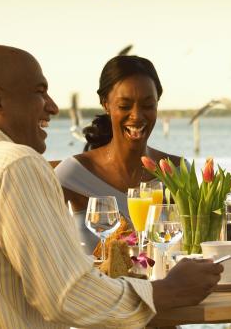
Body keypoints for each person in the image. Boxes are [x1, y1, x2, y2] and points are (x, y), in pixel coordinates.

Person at [0, 45, 221, 328]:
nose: (52, 106)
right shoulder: (15, 165)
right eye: (39, 91)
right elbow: (66, 296)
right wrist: (167, 291)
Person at [54, 55, 180, 254]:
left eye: (148, 105)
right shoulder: (72, 174)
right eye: (124, 106)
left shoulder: (176, 171)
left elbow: (193, 245)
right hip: (98, 284)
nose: (137, 116)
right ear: (106, 104)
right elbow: (38, 243)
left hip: (165, 283)